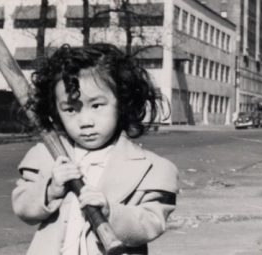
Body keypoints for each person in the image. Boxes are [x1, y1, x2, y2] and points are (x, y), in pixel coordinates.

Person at [12, 43, 178, 255]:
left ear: (123, 103)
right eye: (71, 109)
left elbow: (151, 224)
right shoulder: (44, 157)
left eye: (97, 105)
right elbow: (23, 208)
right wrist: (50, 189)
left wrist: (111, 211)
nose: (85, 121)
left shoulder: (153, 169)